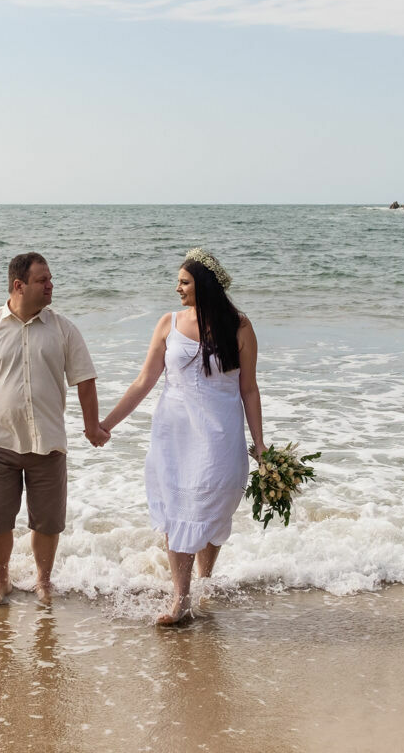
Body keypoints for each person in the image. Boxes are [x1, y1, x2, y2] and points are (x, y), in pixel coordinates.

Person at [101, 248, 265, 625]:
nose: (177, 288)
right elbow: (144, 381)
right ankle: (181, 598)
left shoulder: (239, 327)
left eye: (184, 282)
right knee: (178, 510)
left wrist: (260, 444)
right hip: (174, 434)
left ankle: (204, 583)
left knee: (210, 509)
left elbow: (249, 390)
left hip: (220, 435)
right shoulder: (168, 324)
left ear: (203, 285)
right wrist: (106, 425)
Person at [0, 252, 110, 607]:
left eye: (51, 278)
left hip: (49, 443)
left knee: (48, 523)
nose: (50, 285)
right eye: (42, 280)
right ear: (18, 285)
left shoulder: (64, 329)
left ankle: (43, 581)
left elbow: (85, 380)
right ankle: (1, 580)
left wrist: (91, 427)